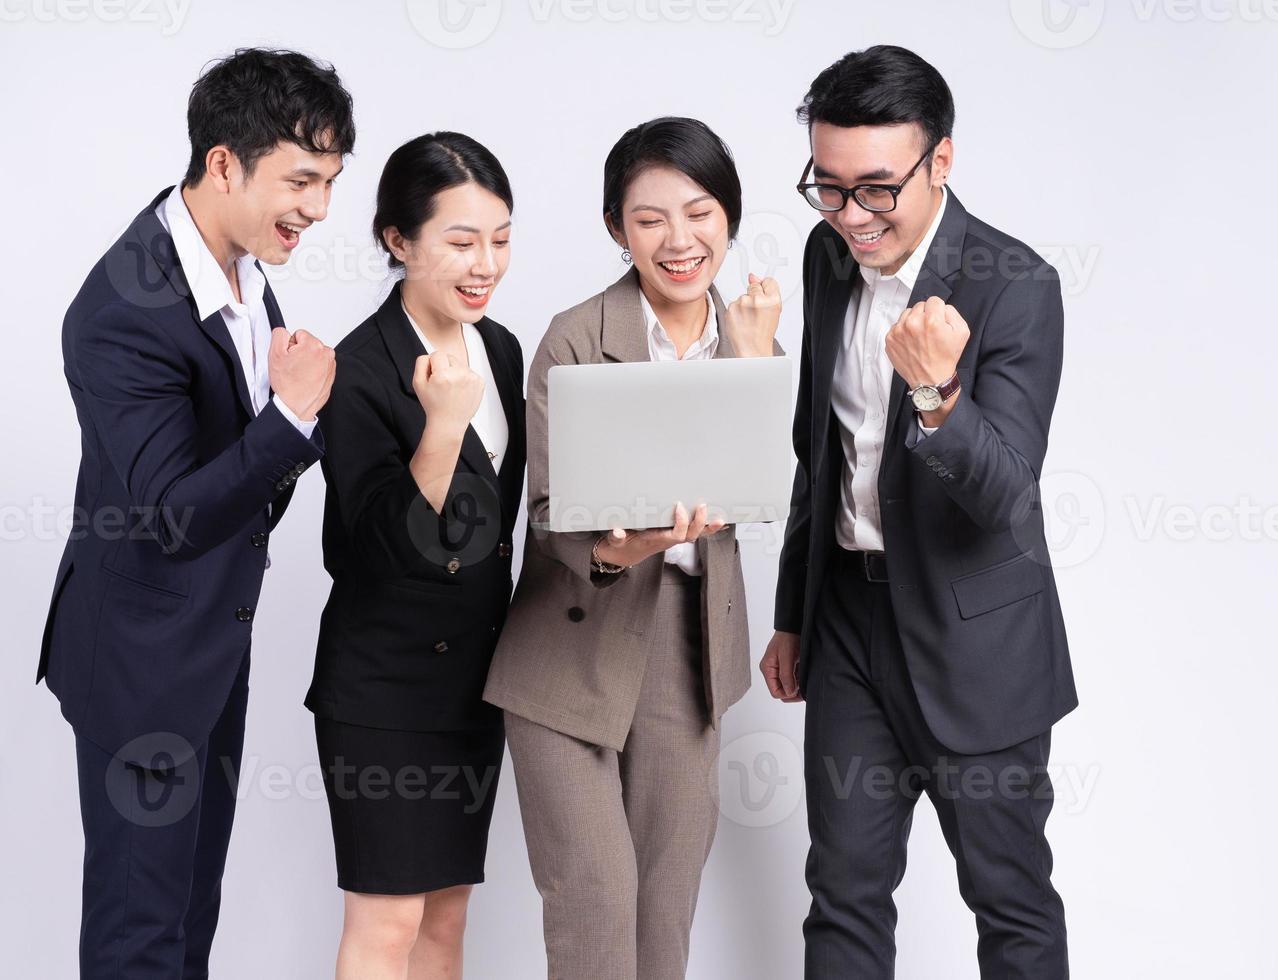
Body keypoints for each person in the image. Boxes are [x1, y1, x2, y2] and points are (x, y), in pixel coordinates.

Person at [761, 45, 1078, 979]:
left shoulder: (1014, 284)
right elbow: (816, 455)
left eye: (876, 190)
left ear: (941, 160)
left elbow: (1008, 493)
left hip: (975, 640)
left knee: (1010, 903)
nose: (852, 217)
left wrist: (940, 394)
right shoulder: (828, 257)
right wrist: (793, 611)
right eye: (828, 187)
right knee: (844, 898)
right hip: (849, 624)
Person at [36, 47, 353, 978]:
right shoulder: (121, 308)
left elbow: (246, 476)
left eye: (330, 182)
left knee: (189, 921)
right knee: (140, 937)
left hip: (213, 649)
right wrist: (296, 415)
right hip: (140, 672)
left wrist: (296, 423)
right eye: (300, 180)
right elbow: (172, 514)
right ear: (224, 164)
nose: (318, 209)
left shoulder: (244, 272)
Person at [482, 116, 783, 980]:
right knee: (595, 908)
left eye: (699, 213)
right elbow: (546, 513)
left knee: (666, 910)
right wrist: (633, 544)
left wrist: (753, 361)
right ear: (617, 228)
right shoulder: (574, 338)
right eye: (649, 219)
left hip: (686, 653)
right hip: (568, 653)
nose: (679, 241)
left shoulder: (751, 332)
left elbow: (764, 492)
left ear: (728, 216)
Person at [308, 131, 526, 980]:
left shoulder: (498, 348)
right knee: (387, 921)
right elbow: (370, 551)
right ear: (399, 242)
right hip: (384, 689)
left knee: (445, 918)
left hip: (474, 681)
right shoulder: (357, 369)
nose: (486, 263)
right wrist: (439, 427)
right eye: (461, 242)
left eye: (501, 239)